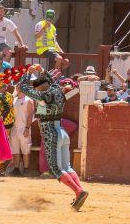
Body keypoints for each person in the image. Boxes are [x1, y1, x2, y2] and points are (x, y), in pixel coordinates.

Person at [17, 67, 88, 209]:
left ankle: (78, 191)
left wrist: (28, 72)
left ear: (40, 87)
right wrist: (43, 71)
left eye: (36, 88)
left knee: (56, 169)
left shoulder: (42, 96)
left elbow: (22, 87)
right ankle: (80, 191)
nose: (36, 90)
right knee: (66, 166)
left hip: (50, 133)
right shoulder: (58, 91)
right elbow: (53, 82)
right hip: (61, 131)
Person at [7, 82, 35, 176]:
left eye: (21, 87)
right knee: (15, 149)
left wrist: (27, 128)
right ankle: (16, 169)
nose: (19, 88)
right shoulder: (14, 100)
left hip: (24, 127)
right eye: (18, 87)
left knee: (25, 149)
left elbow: (30, 115)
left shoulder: (28, 100)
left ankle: (26, 169)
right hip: (14, 128)